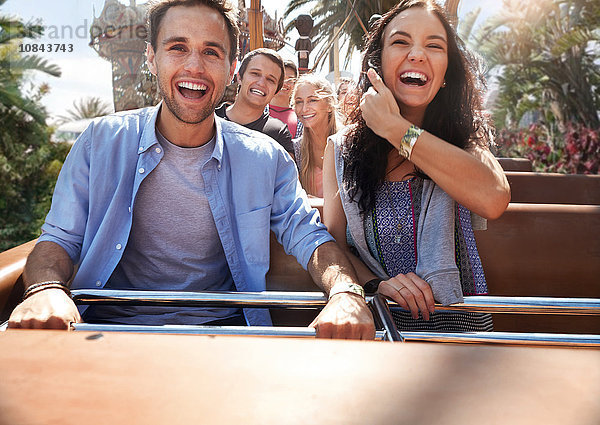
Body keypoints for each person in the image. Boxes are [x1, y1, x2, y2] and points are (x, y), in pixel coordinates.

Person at [8, 0, 374, 340]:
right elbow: (59, 239)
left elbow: (310, 238)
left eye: (211, 52)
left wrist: (346, 291)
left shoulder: (265, 158)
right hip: (107, 328)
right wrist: (45, 290)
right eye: (177, 47)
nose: (194, 67)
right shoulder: (100, 141)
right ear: (152, 58)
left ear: (231, 69)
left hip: (223, 332)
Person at [323, 0, 510, 331]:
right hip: (375, 321)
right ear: (377, 63)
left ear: (446, 75)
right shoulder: (341, 150)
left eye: (434, 46)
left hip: (458, 331)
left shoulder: (464, 142)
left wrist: (396, 130)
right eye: (400, 41)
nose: (417, 54)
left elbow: (494, 197)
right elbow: (334, 245)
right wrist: (375, 284)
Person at [215, 48, 294, 156]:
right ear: (239, 77)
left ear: (276, 91)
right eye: (255, 73)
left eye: (271, 80)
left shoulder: (278, 133)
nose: (261, 83)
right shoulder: (209, 121)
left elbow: (290, 172)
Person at [292, 74, 338, 198]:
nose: (304, 109)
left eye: (312, 100)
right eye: (299, 102)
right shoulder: (294, 150)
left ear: (329, 105)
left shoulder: (349, 145)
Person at [269, 59, 303, 138]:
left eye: (290, 80)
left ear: (295, 84)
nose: (285, 84)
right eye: (281, 79)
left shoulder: (301, 116)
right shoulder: (258, 111)